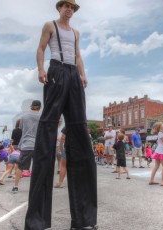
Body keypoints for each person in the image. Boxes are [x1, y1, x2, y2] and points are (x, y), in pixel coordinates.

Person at [25, 1, 97, 229]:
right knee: (47, 129)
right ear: (59, 8)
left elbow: (77, 55)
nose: (69, 10)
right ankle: (37, 221)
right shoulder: (50, 25)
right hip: (56, 71)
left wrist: (83, 75)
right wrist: (40, 69)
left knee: (79, 130)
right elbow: (41, 48)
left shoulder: (76, 33)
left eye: (73, 7)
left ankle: (83, 220)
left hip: (73, 74)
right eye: (66, 6)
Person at [13, 100, 41, 194]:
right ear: (40, 107)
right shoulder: (41, 117)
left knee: (20, 167)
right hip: (37, 145)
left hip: (25, 144)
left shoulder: (23, 117)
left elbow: (21, 129)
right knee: (37, 167)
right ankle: (37, 188)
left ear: (31, 107)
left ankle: (15, 187)